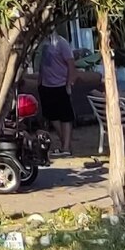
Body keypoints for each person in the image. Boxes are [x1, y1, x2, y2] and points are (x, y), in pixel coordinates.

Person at [37, 29, 78, 158]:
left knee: (65, 116)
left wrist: (69, 83)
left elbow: (71, 64)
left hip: (60, 84)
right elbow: (42, 65)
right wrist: (40, 81)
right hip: (46, 85)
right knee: (52, 117)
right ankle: (64, 143)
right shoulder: (43, 44)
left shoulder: (62, 43)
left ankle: (66, 147)